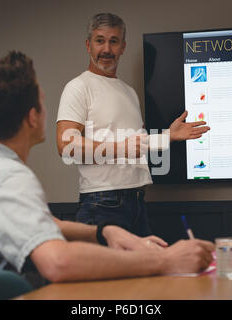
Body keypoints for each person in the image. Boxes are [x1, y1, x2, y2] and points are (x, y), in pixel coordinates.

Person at [0, 51, 214, 299]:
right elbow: (58, 263)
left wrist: (105, 232)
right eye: (43, 101)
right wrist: (164, 260)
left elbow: (44, 223)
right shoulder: (8, 178)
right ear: (33, 117)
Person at [56, 13, 210, 236]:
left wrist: (167, 136)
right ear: (88, 45)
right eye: (100, 40)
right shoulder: (78, 87)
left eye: (114, 41)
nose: (107, 49)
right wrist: (120, 148)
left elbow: (135, 145)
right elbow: (65, 146)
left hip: (137, 201)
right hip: (102, 203)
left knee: (145, 272)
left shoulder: (129, 92)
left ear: (123, 47)